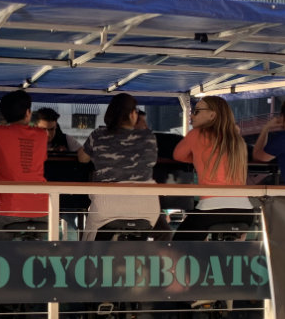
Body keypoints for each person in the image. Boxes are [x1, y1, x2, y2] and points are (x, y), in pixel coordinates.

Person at [76, 93, 160, 240]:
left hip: (108, 205)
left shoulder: (98, 135)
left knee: (88, 244)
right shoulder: (148, 137)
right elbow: (151, 161)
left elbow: (82, 158)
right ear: (133, 114)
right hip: (146, 206)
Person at [172, 95, 254, 238]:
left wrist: (198, 157)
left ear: (212, 115)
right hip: (244, 211)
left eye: (197, 111)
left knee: (178, 245)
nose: (192, 115)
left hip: (211, 210)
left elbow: (178, 155)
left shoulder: (197, 134)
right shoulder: (237, 139)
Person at [0, 90, 49, 236]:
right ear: (28, 112)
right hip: (40, 208)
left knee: (1, 255)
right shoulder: (42, 135)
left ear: (4, 114)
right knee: (39, 256)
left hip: (9, 209)